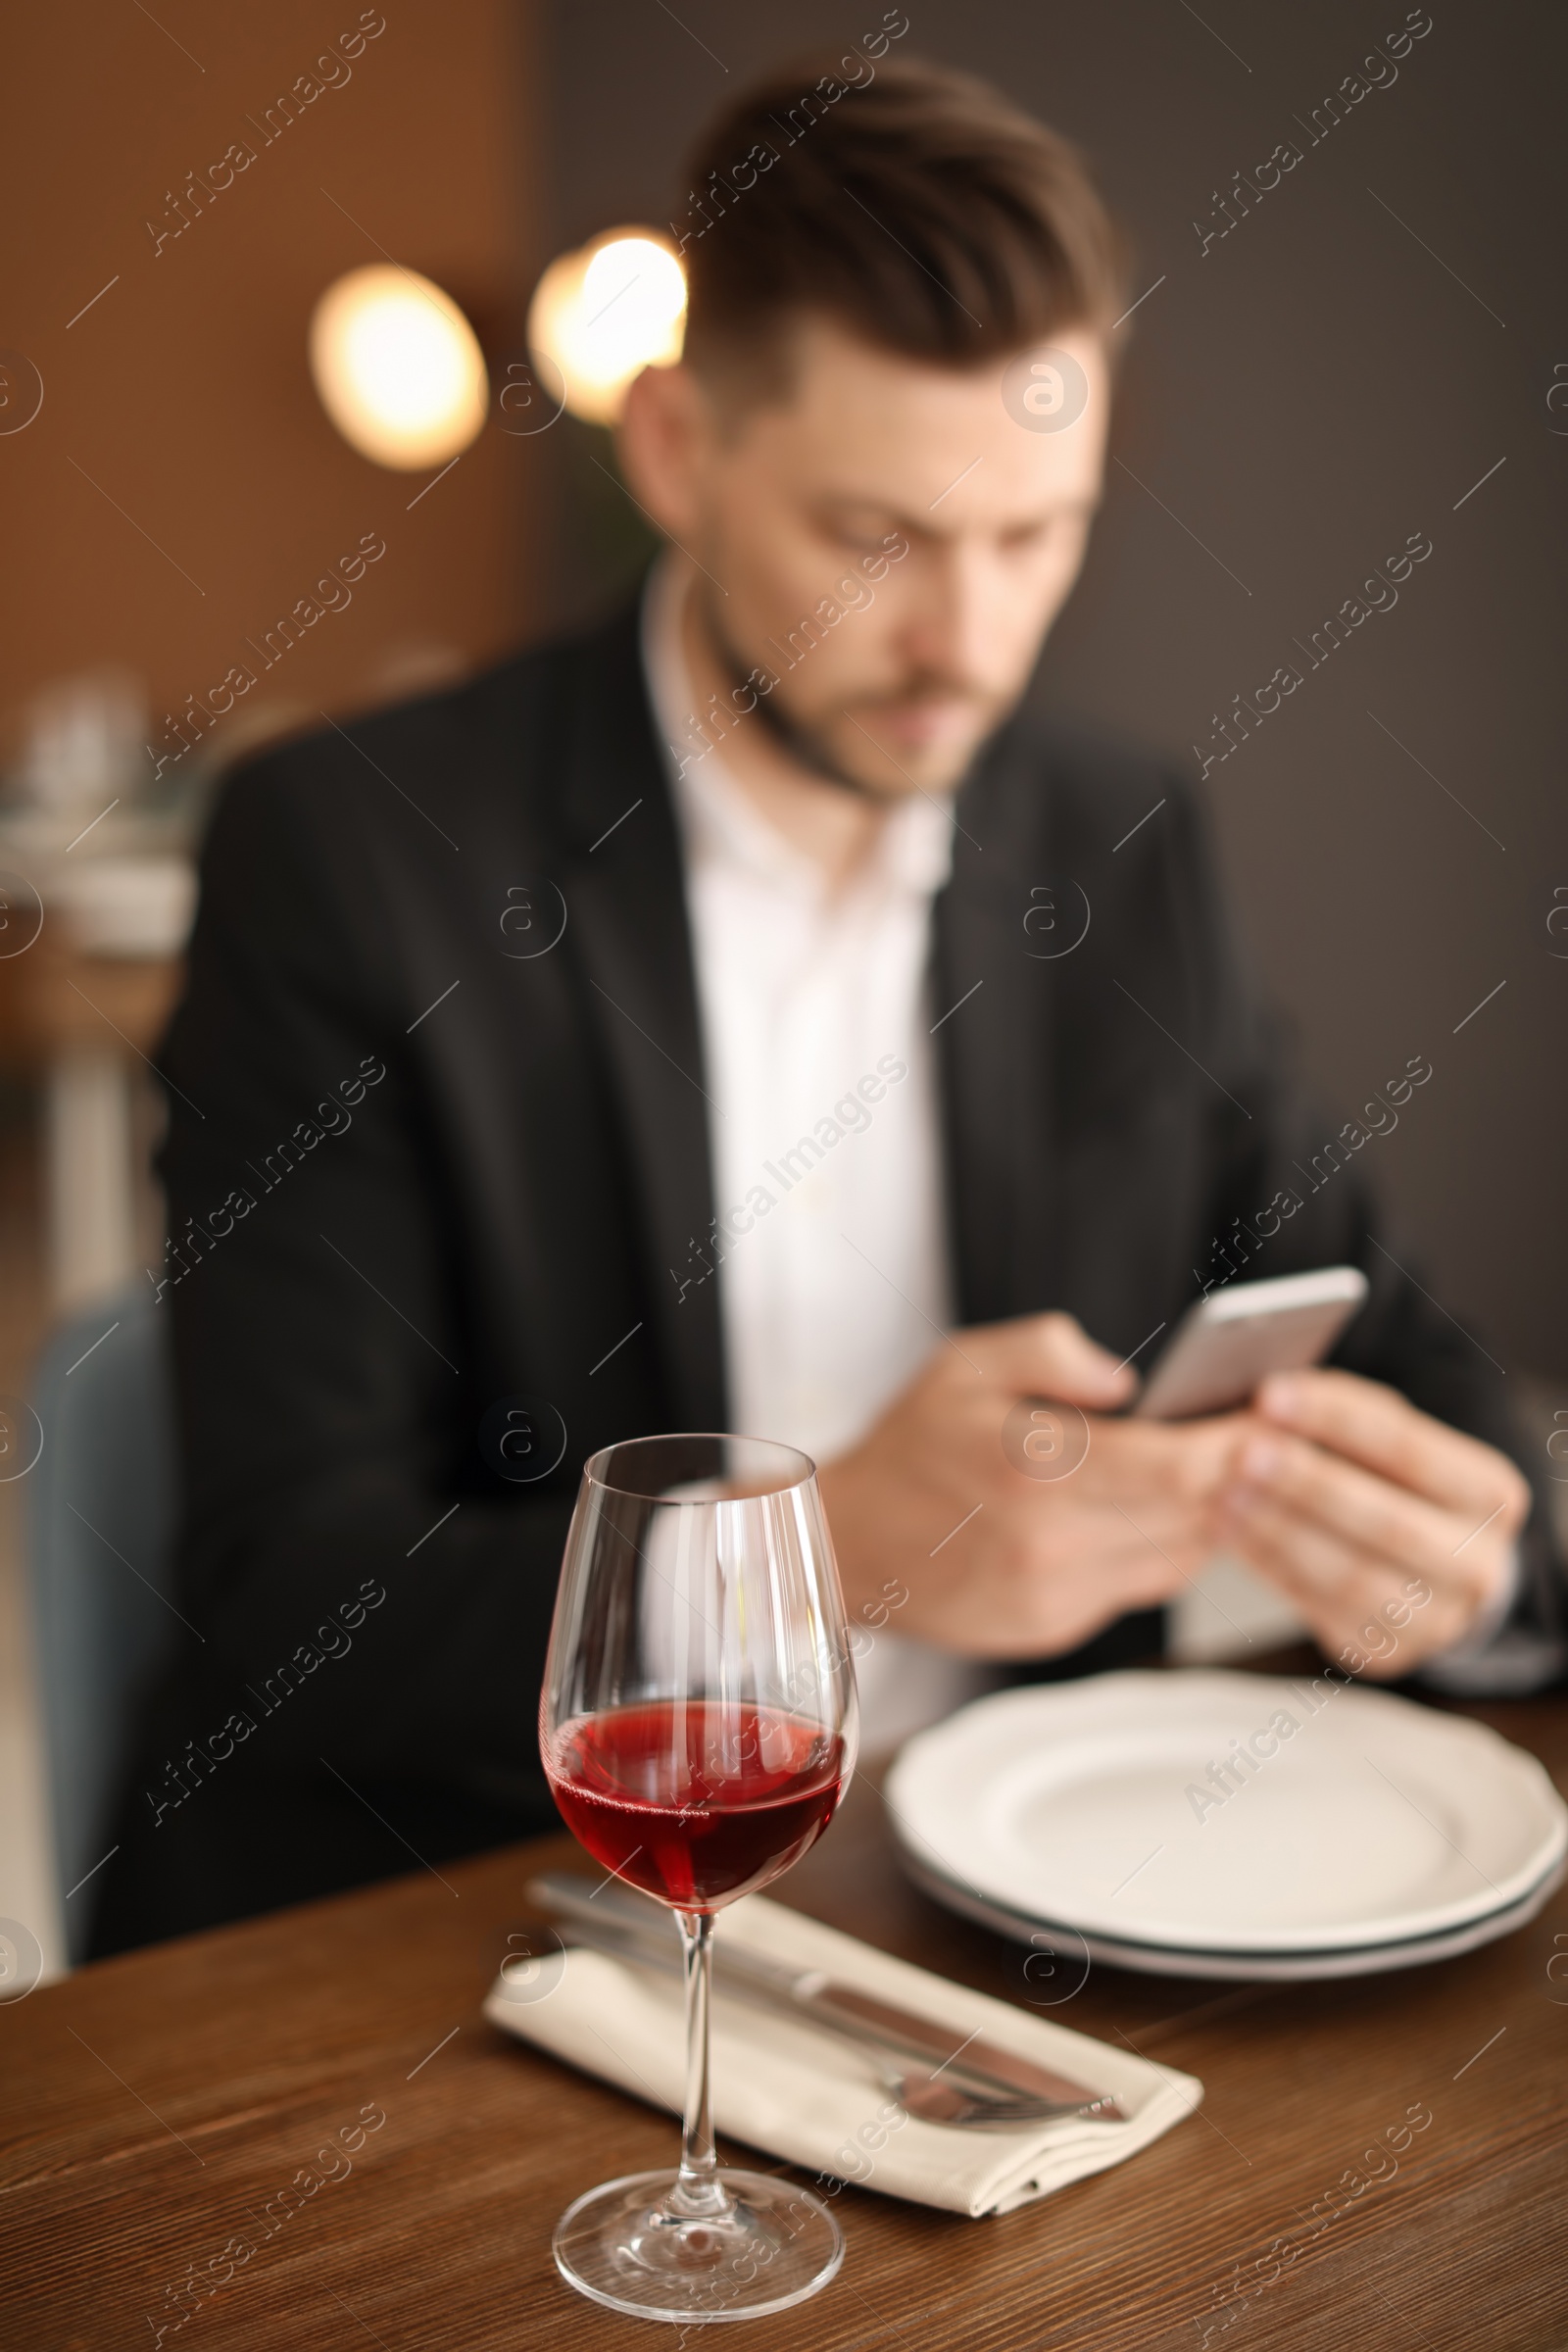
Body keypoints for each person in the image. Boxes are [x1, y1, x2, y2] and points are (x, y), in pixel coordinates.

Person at [91, 53, 1563, 1955]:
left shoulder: (1115, 840)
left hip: (1023, 1914)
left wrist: (1466, 1571)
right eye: (873, 540)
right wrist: (843, 1552)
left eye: (1032, 534)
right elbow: (293, 1617)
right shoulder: (350, 854)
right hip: (486, 1926)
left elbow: (1409, 1359)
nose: (966, 646)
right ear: (676, 450)